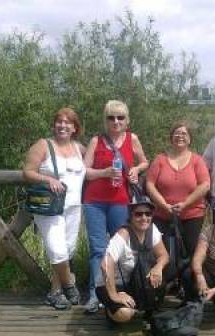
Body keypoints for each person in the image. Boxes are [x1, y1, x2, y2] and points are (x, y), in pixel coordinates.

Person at [83, 100, 149, 313]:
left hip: (121, 202)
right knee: (97, 250)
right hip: (95, 202)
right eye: (111, 117)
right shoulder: (96, 141)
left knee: (120, 249)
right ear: (105, 120)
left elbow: (145, 161)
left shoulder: (133, 139)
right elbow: (84, 171)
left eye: (120, 117)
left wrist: (137, 169)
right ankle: (95, 294)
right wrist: (103, 173)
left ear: (127, 120)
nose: (116, 121)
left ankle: (120, 289)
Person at [23, 107, 85, 310]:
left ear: (75, 128)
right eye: (59, 121)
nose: (63, 125)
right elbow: (27, 172)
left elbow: (91, 168)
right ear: (54, 125)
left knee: (67, 250)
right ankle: (69, 285)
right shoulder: (43, 145)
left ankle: (55, 293)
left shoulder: (79, 149)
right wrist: (47, 178)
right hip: (49, 207)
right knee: (57, 250)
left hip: (74, 206)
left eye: (68, 122)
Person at [146, 120, 210, 282]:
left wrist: (186, 203)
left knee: (192, 252)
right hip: (162, 214)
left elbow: (205, 185)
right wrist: (163, 205)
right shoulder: (160, 160)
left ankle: (189, 287)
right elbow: (150, 184)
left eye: (184, 134)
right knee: (163, 253)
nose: (180, 136)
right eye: (177, 133)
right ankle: (165, 284)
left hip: (192, 215)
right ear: (171, 137)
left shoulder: (197, 161)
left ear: (190, 139)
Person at [96, 196, 169, 324]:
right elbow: (105, 264)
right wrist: (114, 295)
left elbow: (164, 255)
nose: (144, 218)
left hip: (135, 281)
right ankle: (111, 310)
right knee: (125, 314)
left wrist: (158, 267)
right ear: (131, 215)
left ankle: (147, 306)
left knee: (166, 269)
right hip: (114, 284)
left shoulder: (152, 229)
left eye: (148, 214)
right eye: (138, 214)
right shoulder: (123, 234)